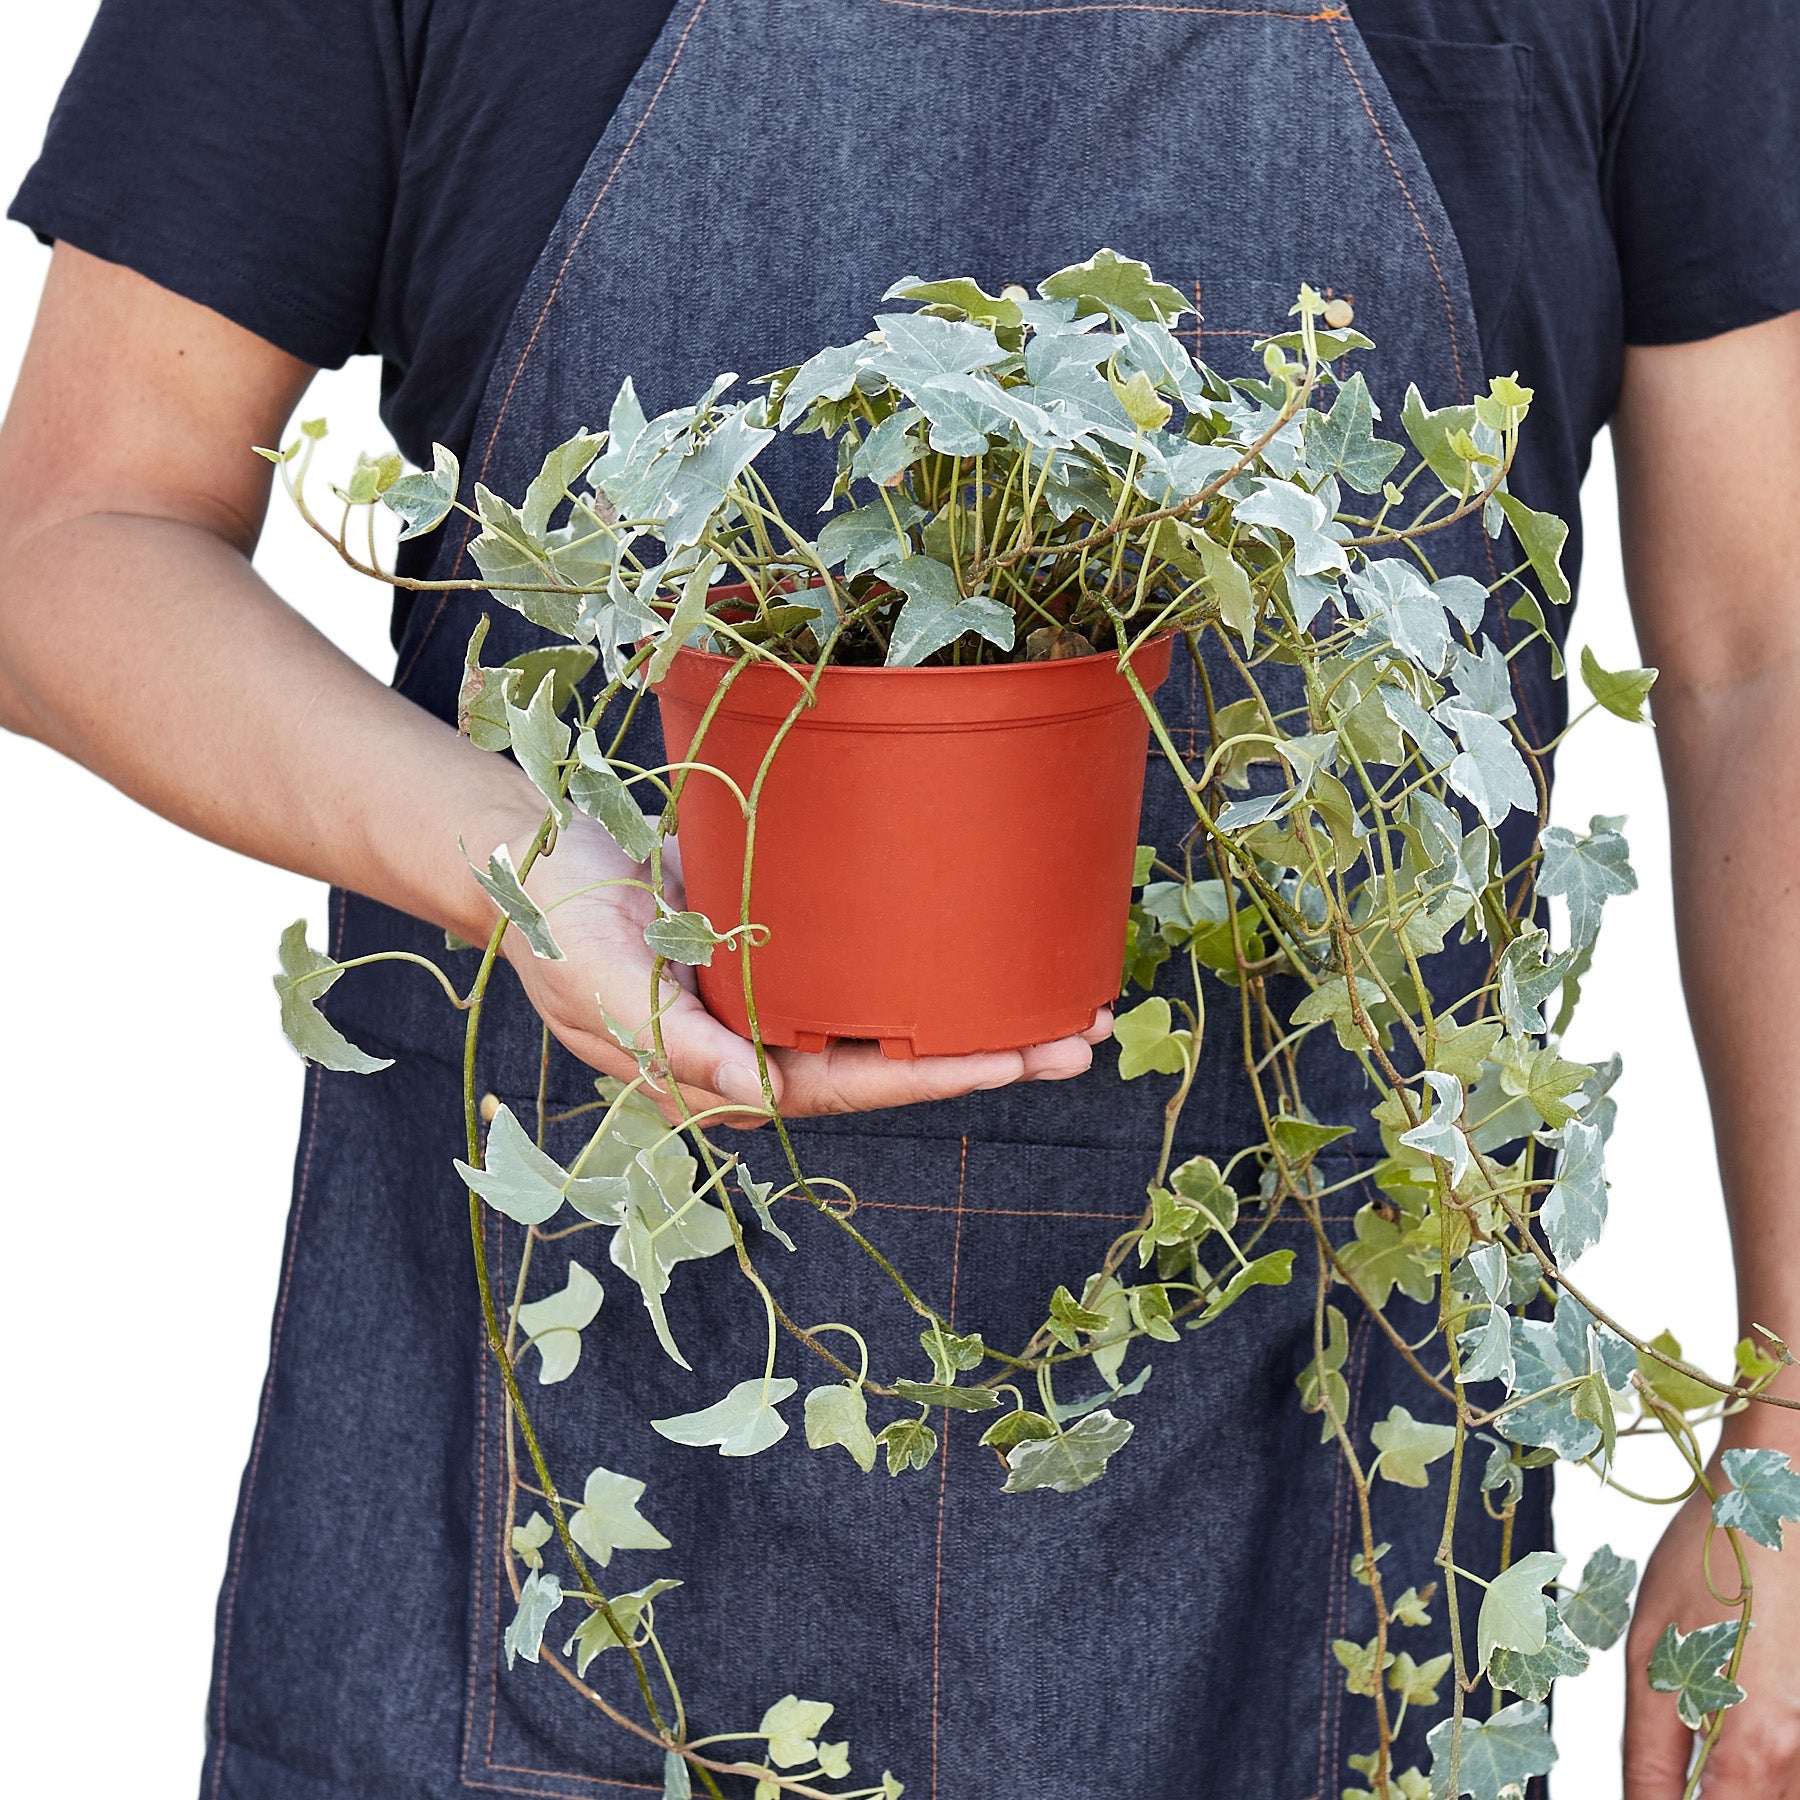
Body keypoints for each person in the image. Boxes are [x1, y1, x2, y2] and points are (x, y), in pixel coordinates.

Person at [3, 3, 1797, 1797]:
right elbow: (75, 537)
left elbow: (1759, 655)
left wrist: (1791, 1438)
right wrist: (526, 867)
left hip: (1319, 1541)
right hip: (538, 1515)